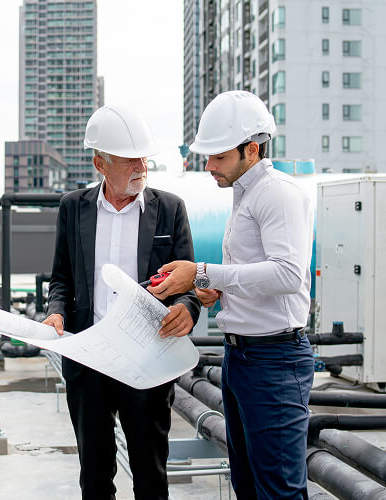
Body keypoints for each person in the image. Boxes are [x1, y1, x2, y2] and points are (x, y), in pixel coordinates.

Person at [148, 90, 315, 500]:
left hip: (274, 361)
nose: (209, 167)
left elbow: (289, 274)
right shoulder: (245, 195)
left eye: (218, 157)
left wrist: (201, 273)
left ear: (251, 150)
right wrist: (216, 289)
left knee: (278, 491)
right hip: (243, 358)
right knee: (248, 484)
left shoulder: (277, 193)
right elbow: (258, 274)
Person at [42, 104, 201, 499]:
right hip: (90, 360)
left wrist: (188, 309)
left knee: (150, 476)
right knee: (94, 478)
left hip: (146, 362)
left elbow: (188, 284)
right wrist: (55, 313)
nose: (140, 167)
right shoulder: (72, 208)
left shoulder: (169, 209)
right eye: (129, 160)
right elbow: (61, 278)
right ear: (100, 162)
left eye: (143, 158)